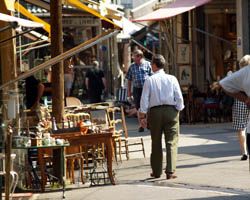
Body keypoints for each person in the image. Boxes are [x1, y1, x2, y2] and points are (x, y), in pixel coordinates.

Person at [139, 54, 184, 179]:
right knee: (172, 141)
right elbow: (179, 97)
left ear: (154, 65)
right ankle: (170, 171)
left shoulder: (149, 80)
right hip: (171, 111)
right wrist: (178, 110)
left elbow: (144, 100)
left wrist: (142, 115)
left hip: (155, 113)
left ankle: (157, 171)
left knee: (156, 142)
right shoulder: (172, 78)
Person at [217, 55, 250, 160]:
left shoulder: (235, 75)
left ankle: (244, 151)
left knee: (241, 128)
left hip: (240, 103)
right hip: (247, 101)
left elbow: (224, 85)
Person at [126, 49, 152, 132]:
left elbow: (152, 77)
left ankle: (147, 123)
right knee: (138, 107)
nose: (133, 59)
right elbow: (129, 80)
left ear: (140, 56)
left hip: (147, 88)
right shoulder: (132, 66)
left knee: (148, 106)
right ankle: (141, 125)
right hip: (137, 89)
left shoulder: (148, 64)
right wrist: (129, 92)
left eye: (135, 57)